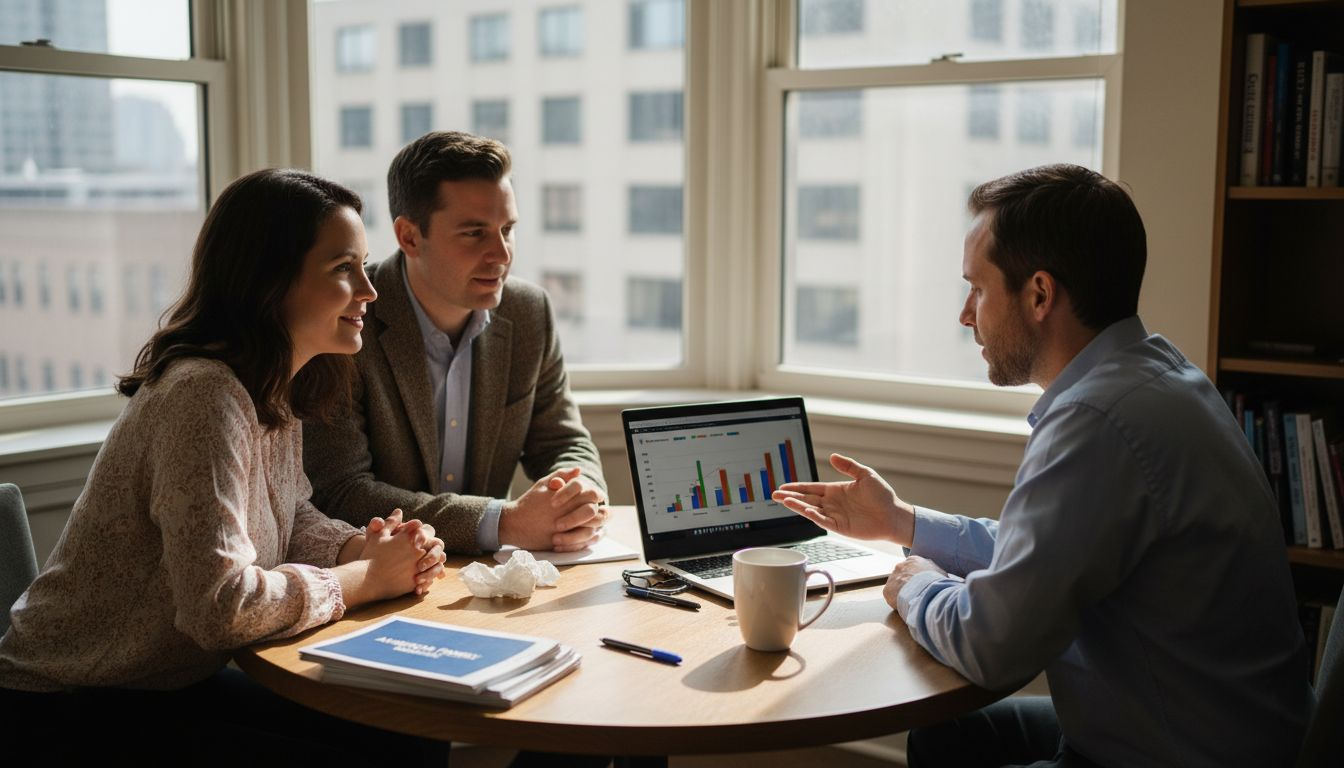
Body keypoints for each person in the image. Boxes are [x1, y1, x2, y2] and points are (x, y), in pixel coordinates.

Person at [774, 164, 1313, 768]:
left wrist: (914, 585)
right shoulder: (1162, 374)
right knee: (946, 737)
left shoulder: (1096, 421)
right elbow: (1046, 552)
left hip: (1177, 754)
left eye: (978, 289)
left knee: (948, 738)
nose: (965, 315)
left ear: (1038, 295)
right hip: (1228, 729)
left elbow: (991, 646)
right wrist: (903, 523)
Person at [0, 169, 450, 764]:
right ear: (270, 279)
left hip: (164, 683)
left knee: (407, 732)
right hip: (69, 705)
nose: (369, 290)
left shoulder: (266, 386)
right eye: (344, 268)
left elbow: (289, 514)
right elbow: (220, 608)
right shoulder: (203, 395)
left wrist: (361, 547)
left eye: (364, 266)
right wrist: (366, 579)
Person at [303, 131, 607, 556]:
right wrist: (504, 522)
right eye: (474, 233)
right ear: (410, 237)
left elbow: (563, 442)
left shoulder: (529, 311)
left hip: (490, 577)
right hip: (379, 576)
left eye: (507, 229)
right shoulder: (346, 319)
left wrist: (580, 499)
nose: (501, 254)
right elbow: (341, 492)